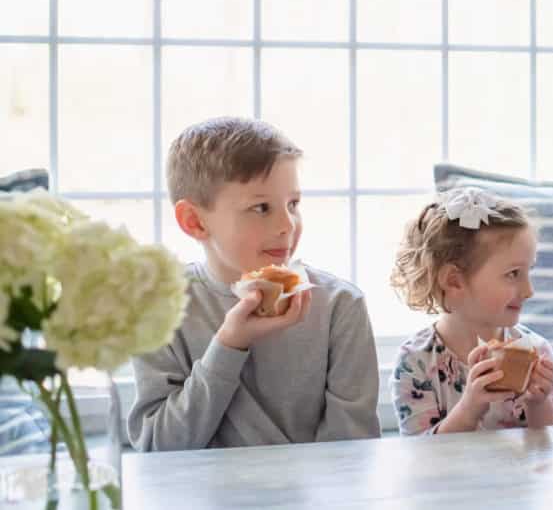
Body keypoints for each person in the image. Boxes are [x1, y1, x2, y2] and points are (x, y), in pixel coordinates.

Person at [128, 117, 381, 450]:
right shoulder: (157, 308)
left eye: (293, 204)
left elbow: (352, 451)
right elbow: (156, 447)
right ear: (195, 221)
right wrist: (229, 345)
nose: (287, 225)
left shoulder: (340, 306)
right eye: (261, 207)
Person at [389, 187, 553, 434]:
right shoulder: (415, 362)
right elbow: (422, 455)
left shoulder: (538, 352)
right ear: (454, 281)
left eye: (529, 271)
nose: (529, 290)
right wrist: (470, 407)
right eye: (513, 274)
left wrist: (539, 403)